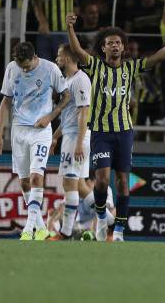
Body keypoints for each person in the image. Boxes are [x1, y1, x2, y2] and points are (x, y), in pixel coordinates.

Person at [65, 13, 165, 242]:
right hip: (101, 132)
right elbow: (77, 52)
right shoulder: (95, 66)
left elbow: (160, 56)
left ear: (123, 47)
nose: (114, 45)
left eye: (118, 42)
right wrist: (70, 27)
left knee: (123, 181)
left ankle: (120, 232)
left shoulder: (131, 68)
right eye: (109, 43)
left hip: (124, 132)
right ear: (103, 48)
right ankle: (103, 215)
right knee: (102, 180)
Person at [0, 42, 70, 241]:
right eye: (22, 66)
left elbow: (66, 95)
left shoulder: (50, 69)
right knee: (24, 181)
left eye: (27, 66)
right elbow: (6, 101)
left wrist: (51, 116)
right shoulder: (12, 68)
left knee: (37, 177)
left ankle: (28, 229)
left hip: (41, 131)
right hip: (19, 131)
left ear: (35, 57)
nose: (24, 69)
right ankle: (41, 228)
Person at [47, 43, 92, 240]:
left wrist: (78, 143)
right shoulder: (67, 80)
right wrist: (55, 138)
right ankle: (109, 222)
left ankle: (65, 232)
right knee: (80, 187)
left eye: (59, 55)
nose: (57, 59)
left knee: (68, 183)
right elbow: (68, 118)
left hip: (76, 137)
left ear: (67, 58)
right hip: (71, 135)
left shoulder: (81, 80)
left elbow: (84, 114)